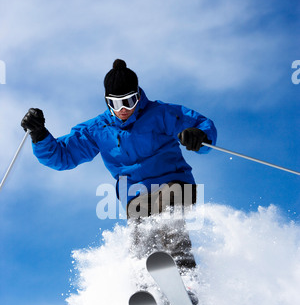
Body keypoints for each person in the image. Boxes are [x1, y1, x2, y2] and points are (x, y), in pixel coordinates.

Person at [21, 59, 217, 283]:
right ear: (107, 102)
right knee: (141, 235)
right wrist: (39, 135)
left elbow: (203, 125)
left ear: (139, 96)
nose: (123, 109)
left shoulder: (161, 114)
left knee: (169, 215)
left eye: (129, 101)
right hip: (137, 195)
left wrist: (198, 136)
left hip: (174, 183)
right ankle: (149, 290)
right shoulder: (97, 129)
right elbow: (62, 156)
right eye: (116, 103)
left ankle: (187, 279)